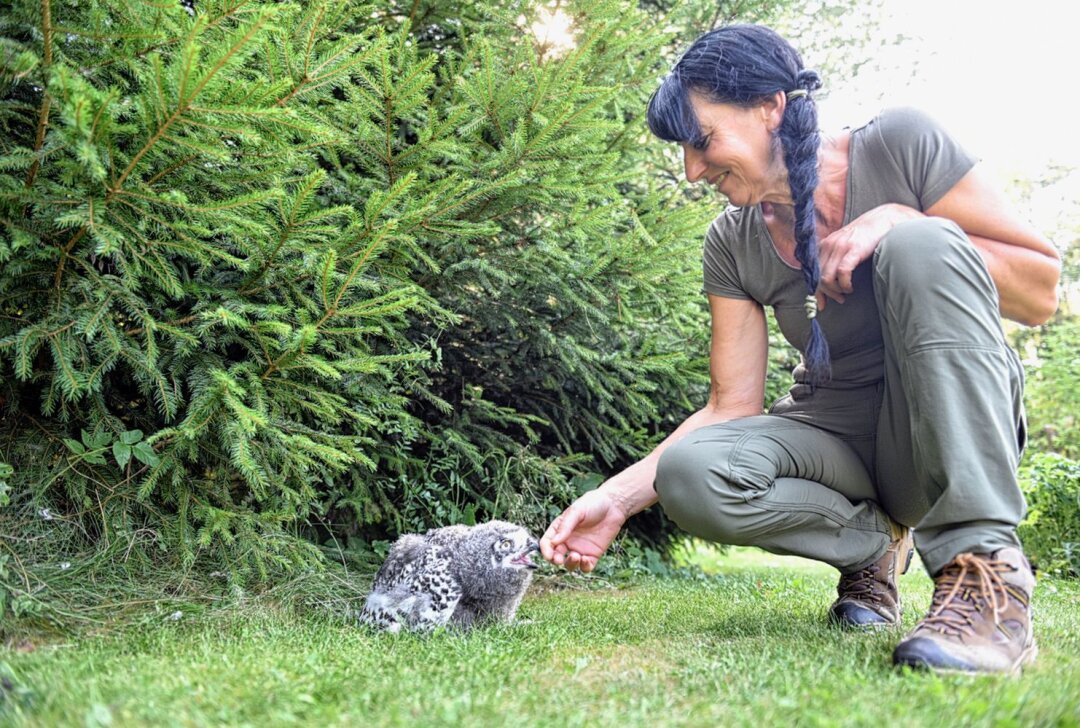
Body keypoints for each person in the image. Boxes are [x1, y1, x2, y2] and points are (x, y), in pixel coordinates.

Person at [539, 24, 1061, 674]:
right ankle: (872, 548)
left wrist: (905, 219)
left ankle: (988, 581)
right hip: (833, 439)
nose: (692, 170)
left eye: (702, 142)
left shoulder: (901, 143)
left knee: (920, 245)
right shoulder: (731, 242)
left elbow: (1040, 292)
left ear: (771, 107)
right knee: (690, 473)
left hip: (941, 427)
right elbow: (732, 406)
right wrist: (615, 500)